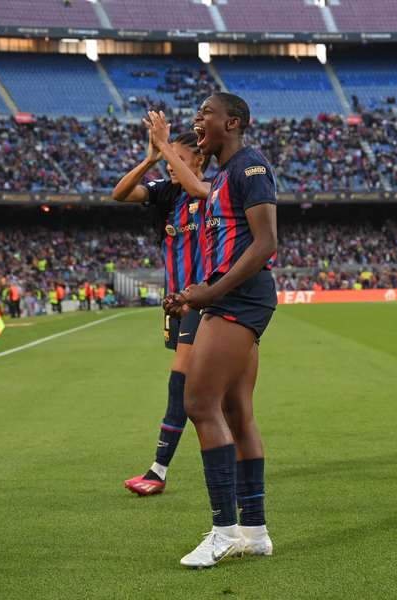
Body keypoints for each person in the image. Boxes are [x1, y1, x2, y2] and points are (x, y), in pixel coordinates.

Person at [163, 94, 277, 568]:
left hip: (241, 298)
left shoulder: (250, 168)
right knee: (236, 411)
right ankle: (254, 531)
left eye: (205, 114)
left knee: (198, 404)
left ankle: (223, 530)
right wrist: (195, 291)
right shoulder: (225, 176)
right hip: (231, 294)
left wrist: (209, 294)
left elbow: (266, 243)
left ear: (232, 122)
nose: (197, 121)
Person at [112, 126, 211, 496]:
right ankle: (235, 461)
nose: (172, 167)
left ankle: (158, 472)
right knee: (212, 393)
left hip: (205, 303)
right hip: (176, 304)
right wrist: (151, 158)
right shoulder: (166, 194)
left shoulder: (213, 191)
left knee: (180, 385)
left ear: (199, 160)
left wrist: (165, 149)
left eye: (179, 159)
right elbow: (119, 194)